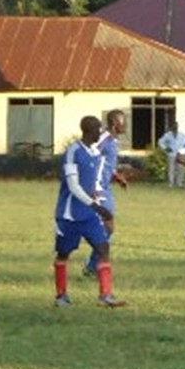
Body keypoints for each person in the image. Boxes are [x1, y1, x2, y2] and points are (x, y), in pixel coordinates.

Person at [52, 115, 126, 308]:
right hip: (69, 215)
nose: (100, 133)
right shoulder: (73, 152)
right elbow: (74, 186)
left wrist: (115, 177)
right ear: (88, 131)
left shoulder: (94, 152)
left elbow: (95, 178)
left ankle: (106, 295)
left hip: (89, 215)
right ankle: (61, 296)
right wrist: (98, 207)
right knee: (63, 254)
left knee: (103, 248)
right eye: (97, 130)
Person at [84, 109, 128, 277]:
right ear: (115, 123)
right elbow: (88, 154)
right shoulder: (103, 139)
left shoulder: (114, 141)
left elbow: (106, 163)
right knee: (108, 225)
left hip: (106, 187)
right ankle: (96, 264)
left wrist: (117, 176)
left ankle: (95, 265)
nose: (126, 125)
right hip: (97, 188)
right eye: (124, 122)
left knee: (108, 227)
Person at [158, 121, 185, 187]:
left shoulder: (182, 135)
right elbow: (160, 142)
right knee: (171, 169)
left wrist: (184, 151)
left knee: (180, 169)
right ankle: (170, 183)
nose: (175, 127)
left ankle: (179, 183)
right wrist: (166, 148)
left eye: (176, 125)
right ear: (171, 127)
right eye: (174, 126)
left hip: (180, 155)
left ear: (178, 126)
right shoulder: (168, 135)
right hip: (171, 154)